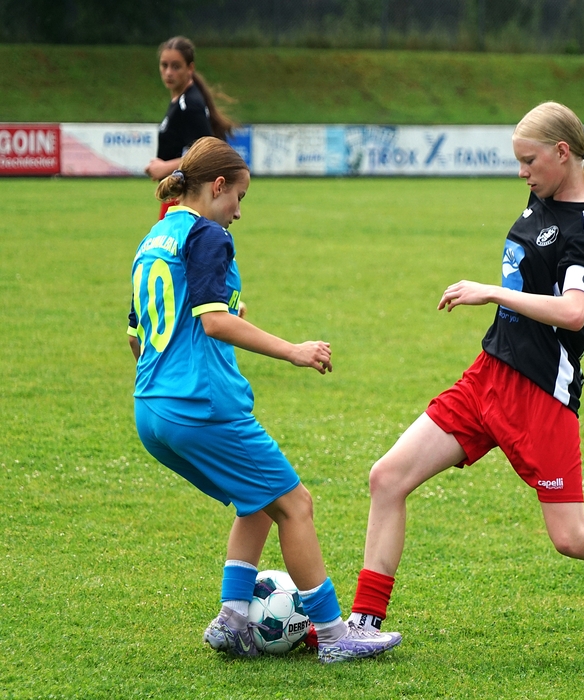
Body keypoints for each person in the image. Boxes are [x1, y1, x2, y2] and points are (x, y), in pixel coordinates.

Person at [341, 102, 584, 659]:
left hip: (541, 392)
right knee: (388, 477)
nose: (522, 172)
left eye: (529, 160)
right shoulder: (542, 197)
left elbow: (573, 312)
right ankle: (363, 625)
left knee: (571, 536)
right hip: (488, 375)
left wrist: (490, 292)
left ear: (562, 153)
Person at [127, 136, 401, 662]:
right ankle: (336, 636)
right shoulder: (208, 234)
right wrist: (294, 350)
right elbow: (213, 322)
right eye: (239, 197)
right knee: (295, 505)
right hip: (201, 406)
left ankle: (232, 620)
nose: (238, 212)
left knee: (256, 501)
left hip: (151, 410)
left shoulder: (154, 237)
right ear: (218, 186)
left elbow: (139, 337)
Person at [145, 36, 236, 220]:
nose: (168, 72)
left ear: (190, 68)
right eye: (164, 65)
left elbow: (207, 155)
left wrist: (164, 167)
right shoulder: (180, 101)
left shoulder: (189, 104)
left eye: (176, 66)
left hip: (185, 199)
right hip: (177, 195)